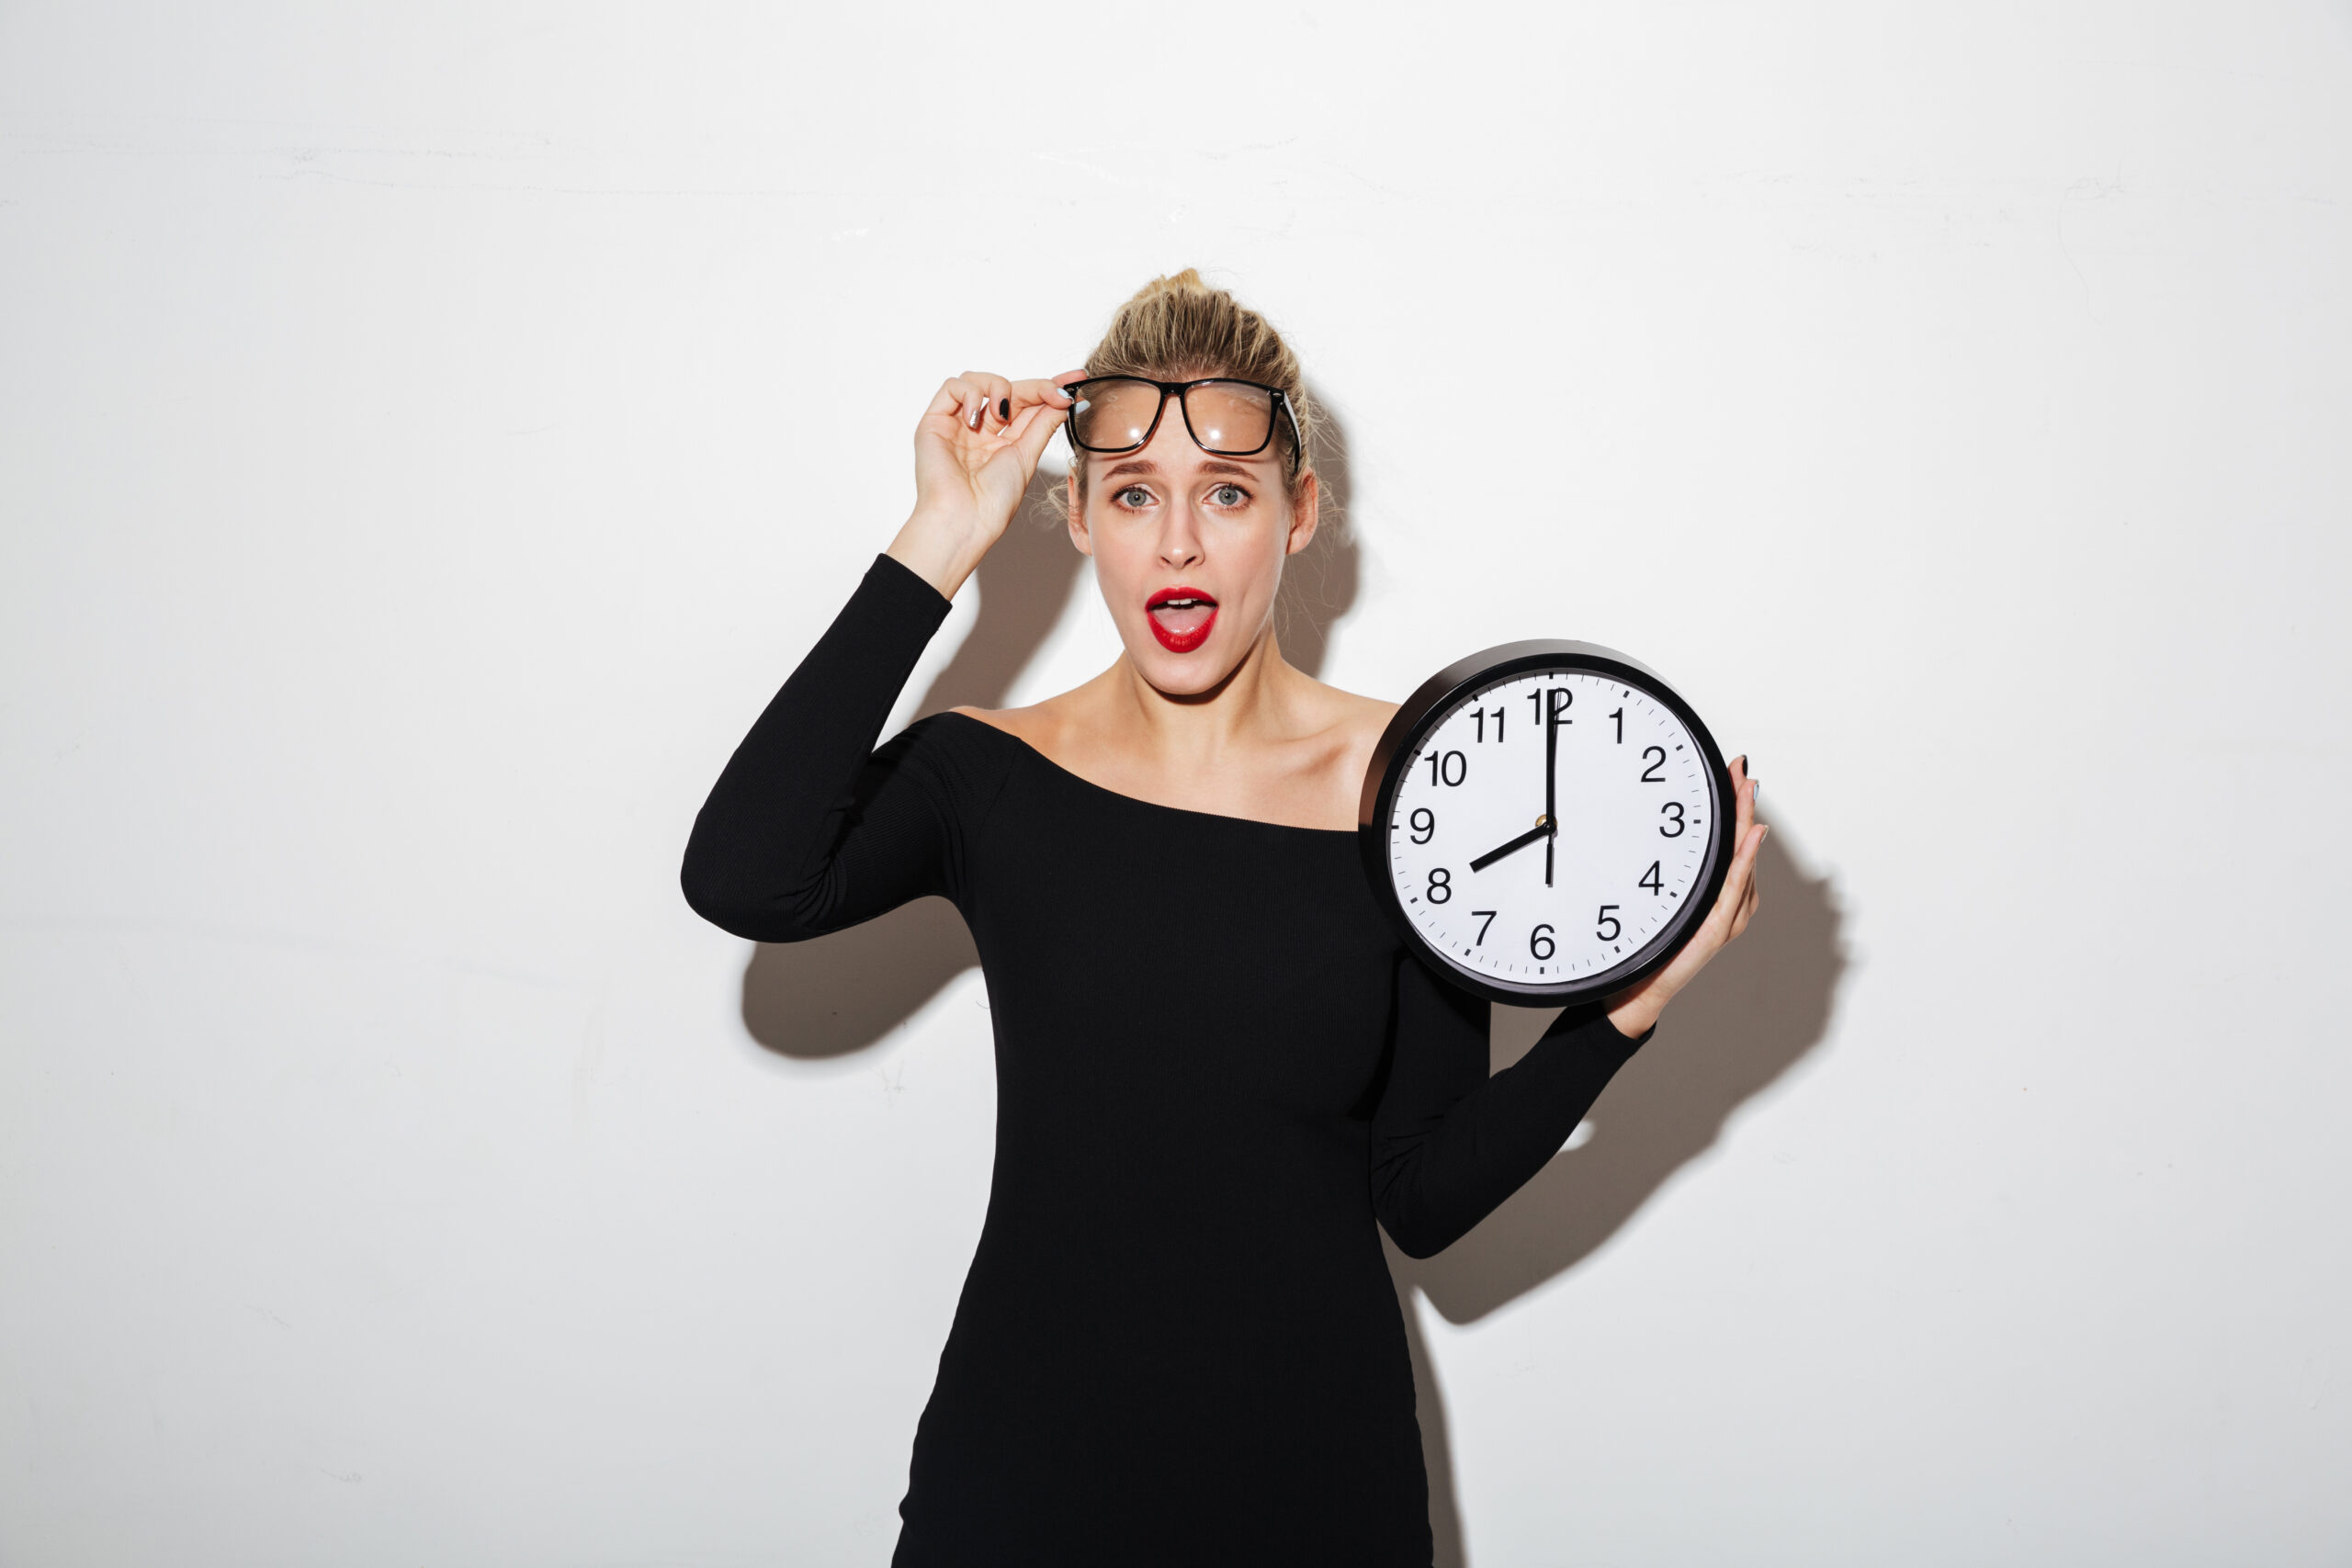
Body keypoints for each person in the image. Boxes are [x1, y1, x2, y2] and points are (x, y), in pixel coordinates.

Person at [682, 270, 1763, 1566]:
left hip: (1314, 1493)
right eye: (1133, 494)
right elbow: (744, 875)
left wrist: (1623, 1016)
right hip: (1022, 1487)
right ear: (1075, 514)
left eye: (1228, 495)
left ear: (1299, 515)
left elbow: (1417, 1193)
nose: (1179, 544)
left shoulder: (1414, 791)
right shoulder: (989, 774)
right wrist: (941, 536)